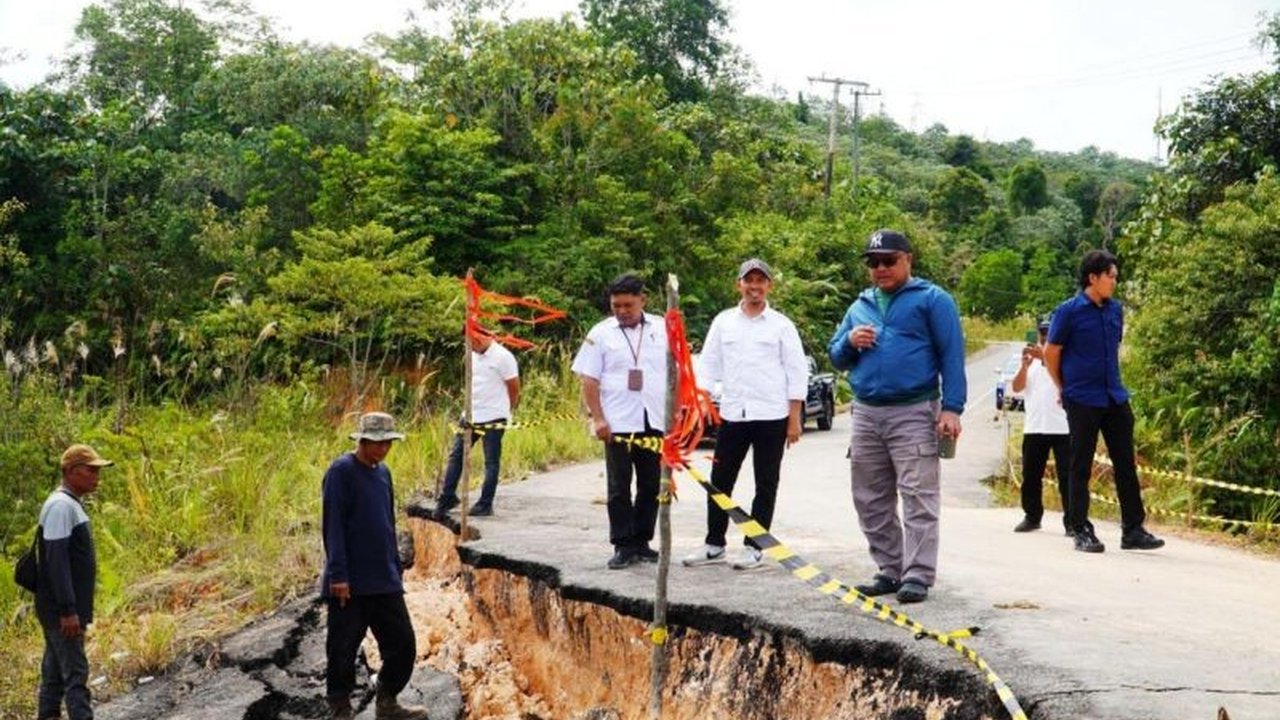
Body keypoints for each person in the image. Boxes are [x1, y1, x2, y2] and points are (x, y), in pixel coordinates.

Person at [828, 229, 966, 604]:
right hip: (866, 412)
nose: (881, 268)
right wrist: (849, 341)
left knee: (918, 494)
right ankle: (891, 568)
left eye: (889, 260)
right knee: (869, 496)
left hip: (915, 410)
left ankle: (918, 574)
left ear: (908, 260)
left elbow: (952, 355)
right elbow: (836, 356)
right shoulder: (859, 304)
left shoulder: (933, 300)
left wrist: (952, 408)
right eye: (874, 262)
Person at [682, 258, 809, 571]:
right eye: (748, 280)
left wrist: (794, 419)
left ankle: (755, 547)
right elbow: (709, 365)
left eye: (760, 281)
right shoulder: (724, 322)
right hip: (733, 414)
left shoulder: (781, 325)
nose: (755, 286)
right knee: (720, 479)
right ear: (739, 284)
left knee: (766, 483)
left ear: (769, 285)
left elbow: (796, 372)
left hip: (771, 415)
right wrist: (701, 404)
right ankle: (714, 544)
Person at [1044, 250, 1164, 554]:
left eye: (1115, 277)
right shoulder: (1068, 311)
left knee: (1125, 463)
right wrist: (1064, 388)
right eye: (1110, 276)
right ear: (1092, 278)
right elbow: (1051, 353)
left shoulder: (1115, 310)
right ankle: (1080, 528)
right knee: (1080, 464)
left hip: (1114, 395)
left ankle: (1133, 529)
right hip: (1082, 397)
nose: (1114, 282)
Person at [321, 412, 429, 720]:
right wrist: (338, 575)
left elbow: (387, 524)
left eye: (388, 443)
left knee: (403, 643)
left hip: (383, 578)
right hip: (350, 582)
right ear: (363, 440)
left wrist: (395, 567)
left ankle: (387, 700)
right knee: (342, 648)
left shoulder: (384, 473)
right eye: (377, 443)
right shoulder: (341, 471)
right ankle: (341, 709)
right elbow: (333, 527)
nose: (383, 449)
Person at [571, 273, 669, 570]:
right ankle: (622, 544)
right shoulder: (600, 333)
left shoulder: (663, 328)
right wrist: (598, 418)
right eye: (616, 306)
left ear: (643, 300)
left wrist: (677, 414)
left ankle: (642, 541)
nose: (623, 311)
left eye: (628, 305)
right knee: (619, 485)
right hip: (617, 422)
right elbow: (588, 379)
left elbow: (676, 371)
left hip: (653, 420)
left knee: (652, 484)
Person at [35, 444, 113, 720]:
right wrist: (68, 610)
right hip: (61, 612)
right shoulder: (60, 506)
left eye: (97, 470)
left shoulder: (68, 503)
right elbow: (56, 563)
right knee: (75, 676)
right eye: (90, 470)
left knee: (55, 674)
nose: (96, 476)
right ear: (70, 471)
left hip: (58, 609)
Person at [436, 332, 521, 517]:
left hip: (494, 416)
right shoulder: (472, 355)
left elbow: (514, 387)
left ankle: (485, 503)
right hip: (471, 414)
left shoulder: (503, 357)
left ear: (479, 339)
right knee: (456, 454)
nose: (469, 348)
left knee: (491, 460)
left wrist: (508, 410)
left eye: (470, 344)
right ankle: (448, 496)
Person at [1011, 318, 1071, 534]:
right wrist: (1024, 367)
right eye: (1042, 334)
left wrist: (1044, 358)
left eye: (1048, 334)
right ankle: (1032, 516)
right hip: (1035, 426)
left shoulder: (1062, 358)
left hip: (1062, 426)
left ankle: (1072, 521)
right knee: (1031, 475)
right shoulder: (1032, 361)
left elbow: (1067, 381)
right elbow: (1017, 388)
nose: (1044, 338)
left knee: (1067, 476)